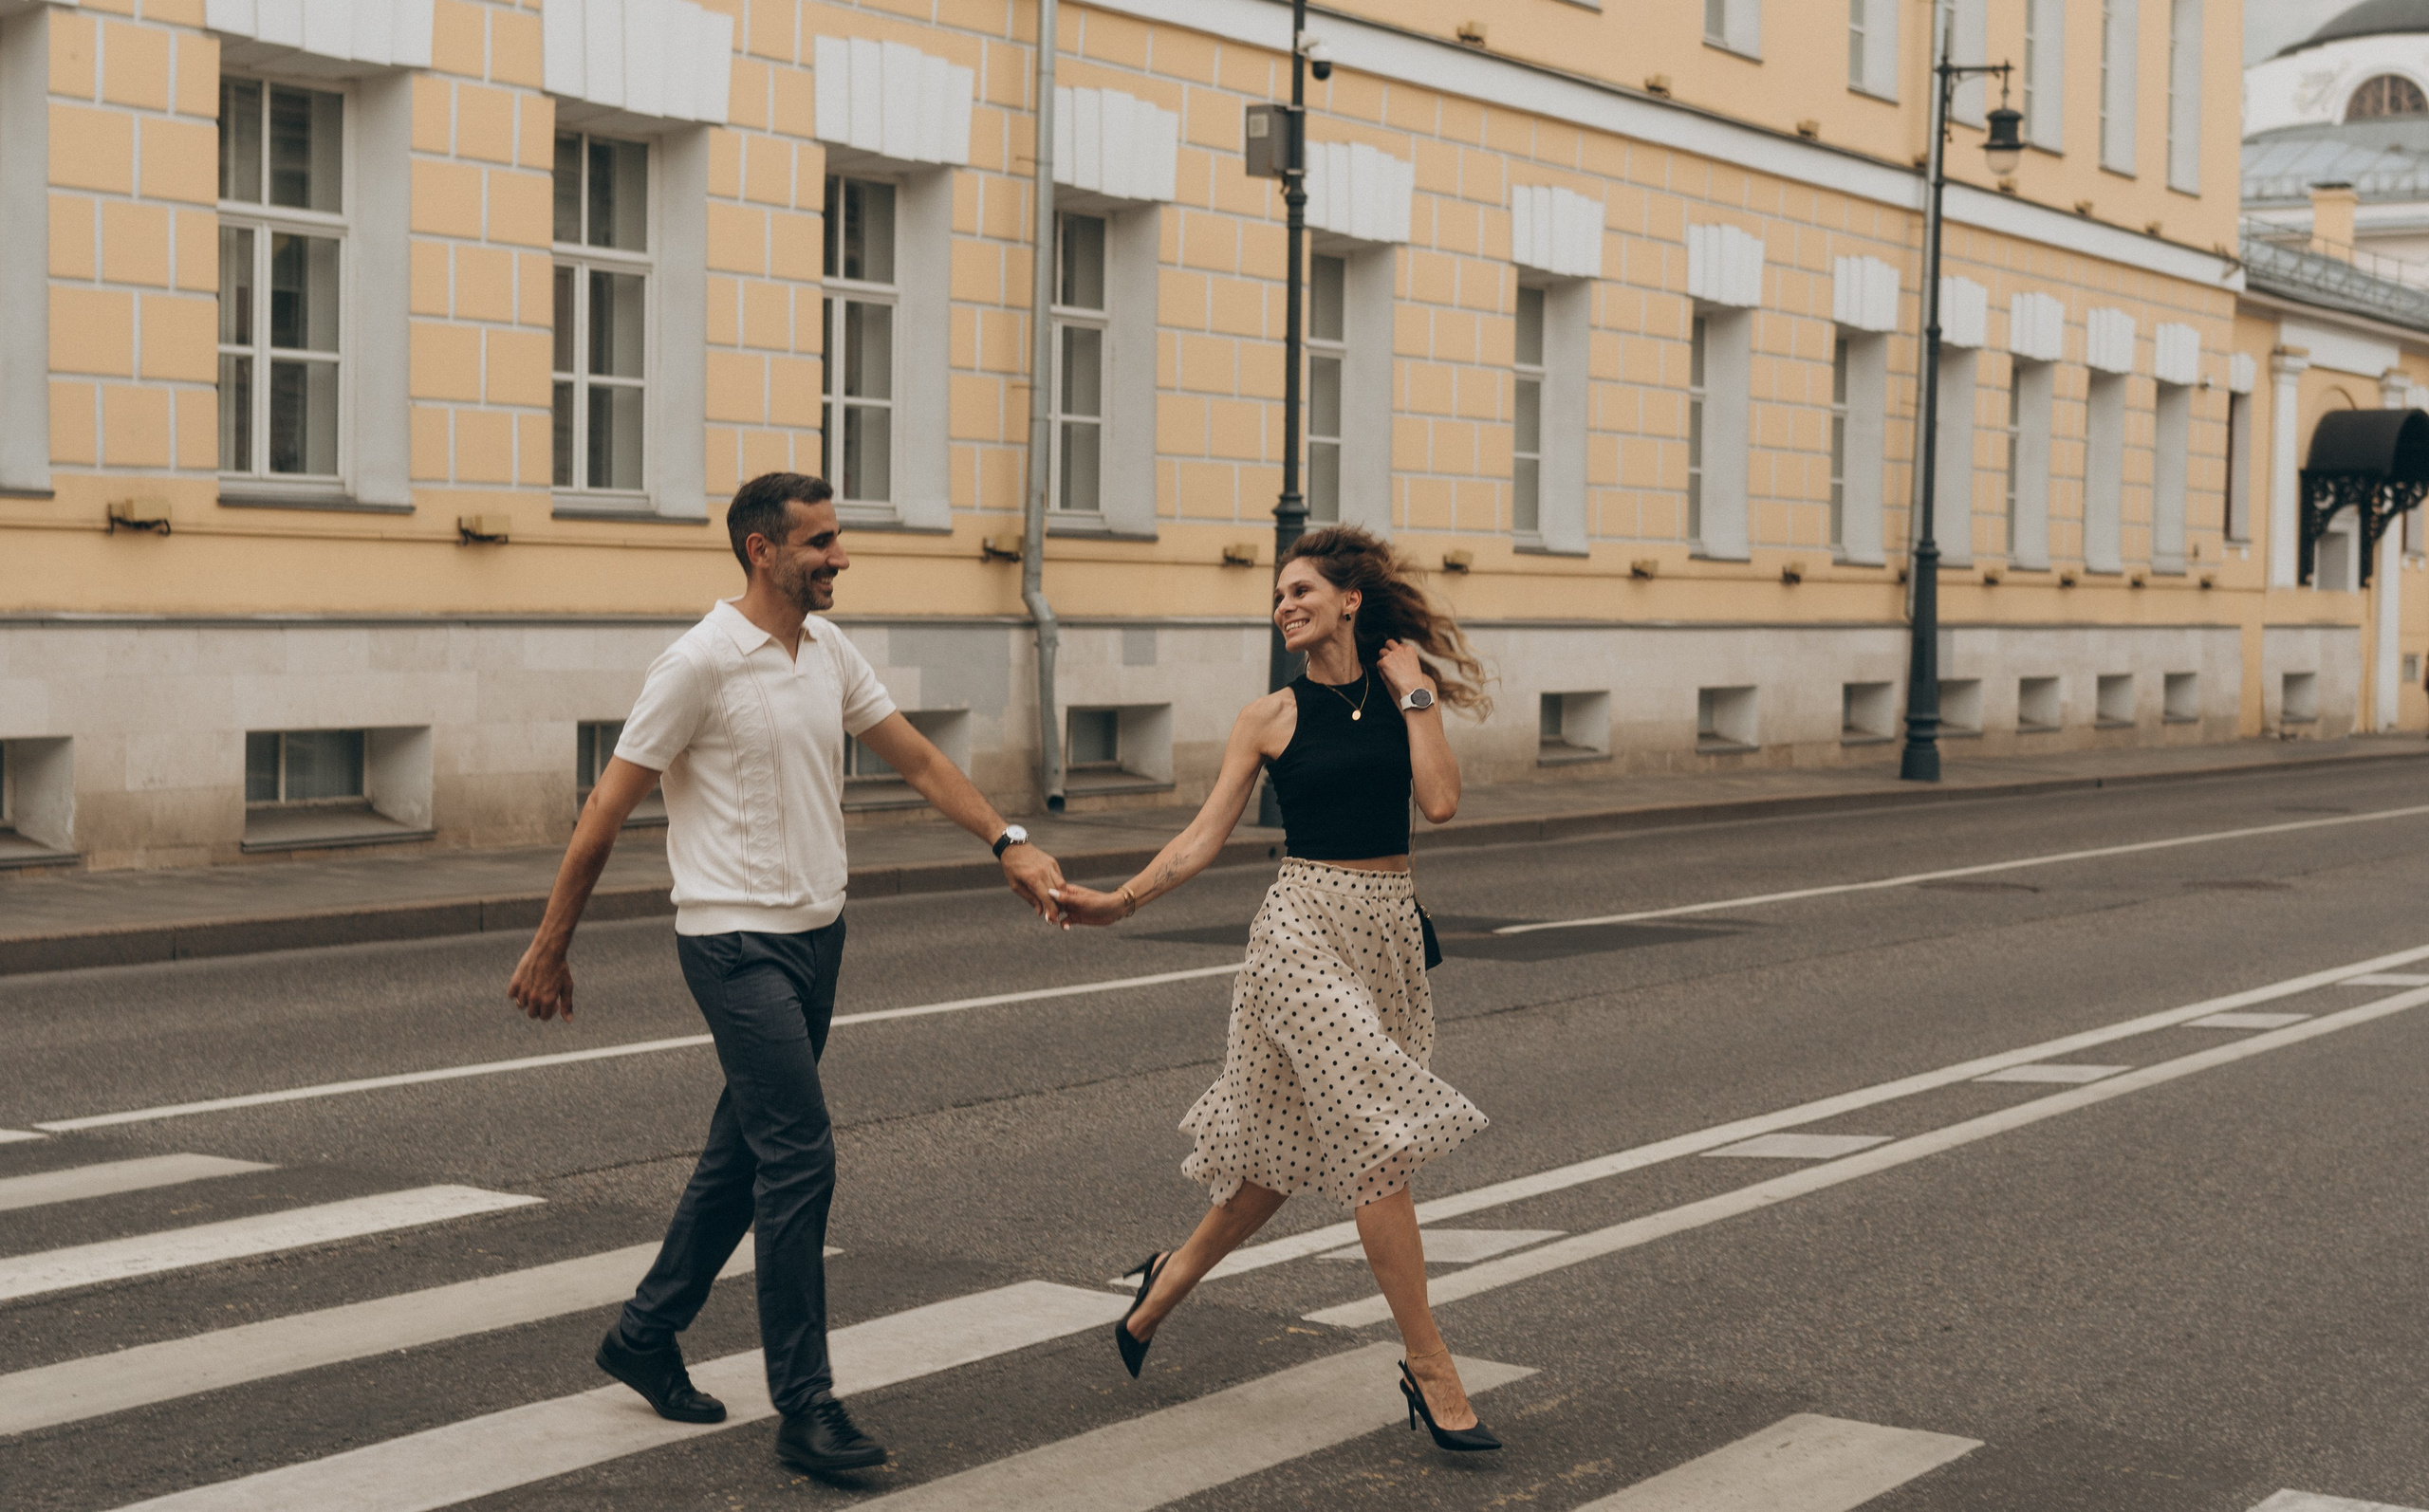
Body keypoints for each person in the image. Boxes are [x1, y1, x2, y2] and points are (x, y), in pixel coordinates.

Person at [507, 471, 1067, 1475]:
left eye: (838, 538)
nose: (840, 555)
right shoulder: (698, 663)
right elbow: (606, 809)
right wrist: (552, 941)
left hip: (818, 934)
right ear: (762, 550)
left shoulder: (826, 649)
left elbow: (919, 759)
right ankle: (806, 1409)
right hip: (732, 941)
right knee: (801, 1155)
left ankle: (644, 1331)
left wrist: (1006, 841)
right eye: (820, 542)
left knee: (745, 1156)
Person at [1050, 525, 1503, 1453]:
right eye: (1278, 594)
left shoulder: (1398, 694)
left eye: (1303, 590)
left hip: (1385, 937)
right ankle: (1432, 1368)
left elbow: (1442, 802)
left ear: (1348, 600)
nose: (1285, 604)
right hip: (1298, 931)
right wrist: (1118, 902)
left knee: (1283, 1153)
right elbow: (1200, 837)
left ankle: (1163, 1286)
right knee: (1378, 1142)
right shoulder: (1268, 716)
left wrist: (1416, 691)